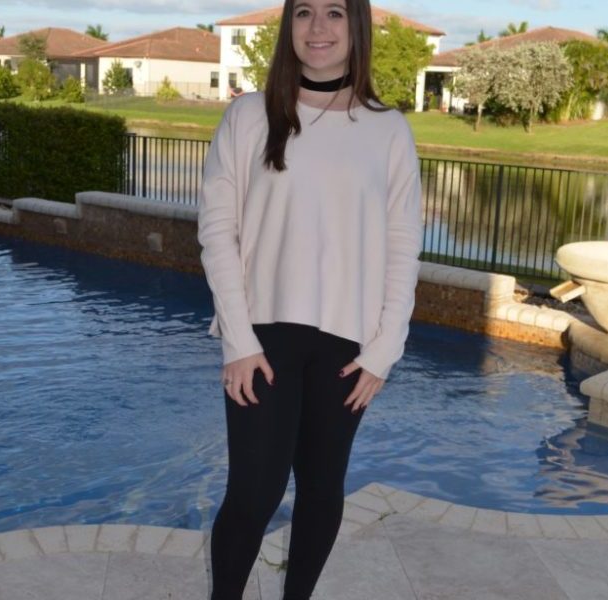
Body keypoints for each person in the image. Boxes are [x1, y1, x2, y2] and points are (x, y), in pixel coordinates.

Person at [197, 0, 423, 598]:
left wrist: (385, 350)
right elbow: (218, 232)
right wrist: (238, 341)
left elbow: (403, 246)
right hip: (262, 338)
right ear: (288, 27)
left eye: (334, 13)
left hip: (348, 347)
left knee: (322, 490)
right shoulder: (249, 116)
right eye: (303, 13)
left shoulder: (388, 130)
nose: (318, 28)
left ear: (356, 26)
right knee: (254, 493)